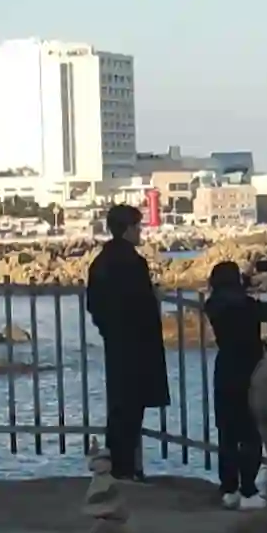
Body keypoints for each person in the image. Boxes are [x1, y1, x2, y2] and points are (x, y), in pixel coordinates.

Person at [85, 203, 169, 482]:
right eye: (137, 226)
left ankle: (118, 463)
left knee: (119, 404)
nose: (140, 231)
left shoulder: (101, 262)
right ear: (128, 229)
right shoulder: (133, 263)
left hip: (116, 341)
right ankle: (126, 467)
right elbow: (141, 303)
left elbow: (94, 304)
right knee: (133, 407)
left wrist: (107, 329)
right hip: (138, 342)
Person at [200, 259, 267, 508]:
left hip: (225, 369)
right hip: (250, 370)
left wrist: (246, 280)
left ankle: (229, 489)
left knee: (227, 432)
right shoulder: (247, 305)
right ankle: (248, 490)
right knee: (251, 432)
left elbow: (231, 294)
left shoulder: (213, 304)